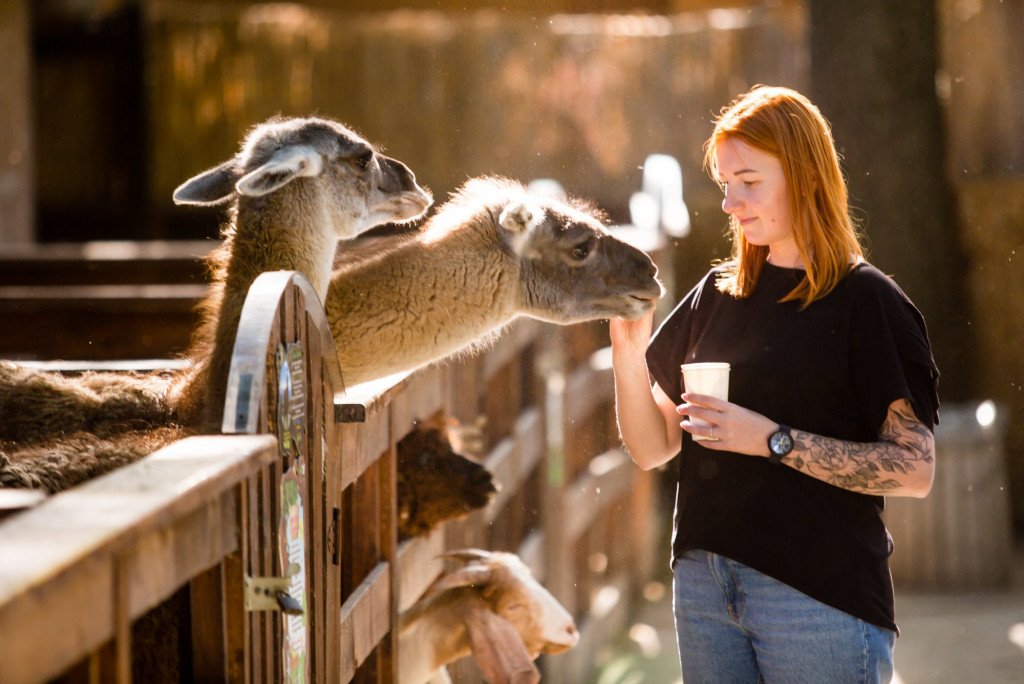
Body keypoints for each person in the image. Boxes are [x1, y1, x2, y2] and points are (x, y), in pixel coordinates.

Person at [610, 85, 939, 683]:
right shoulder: (716, 293)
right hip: (705, 587)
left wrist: (773, 439)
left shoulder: (868, 303)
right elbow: (653, 445)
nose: (731, 202)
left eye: (749, 182)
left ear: (805, 176)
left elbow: (915, 469)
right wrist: (627, 352)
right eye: (725, 183)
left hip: (819, 601)